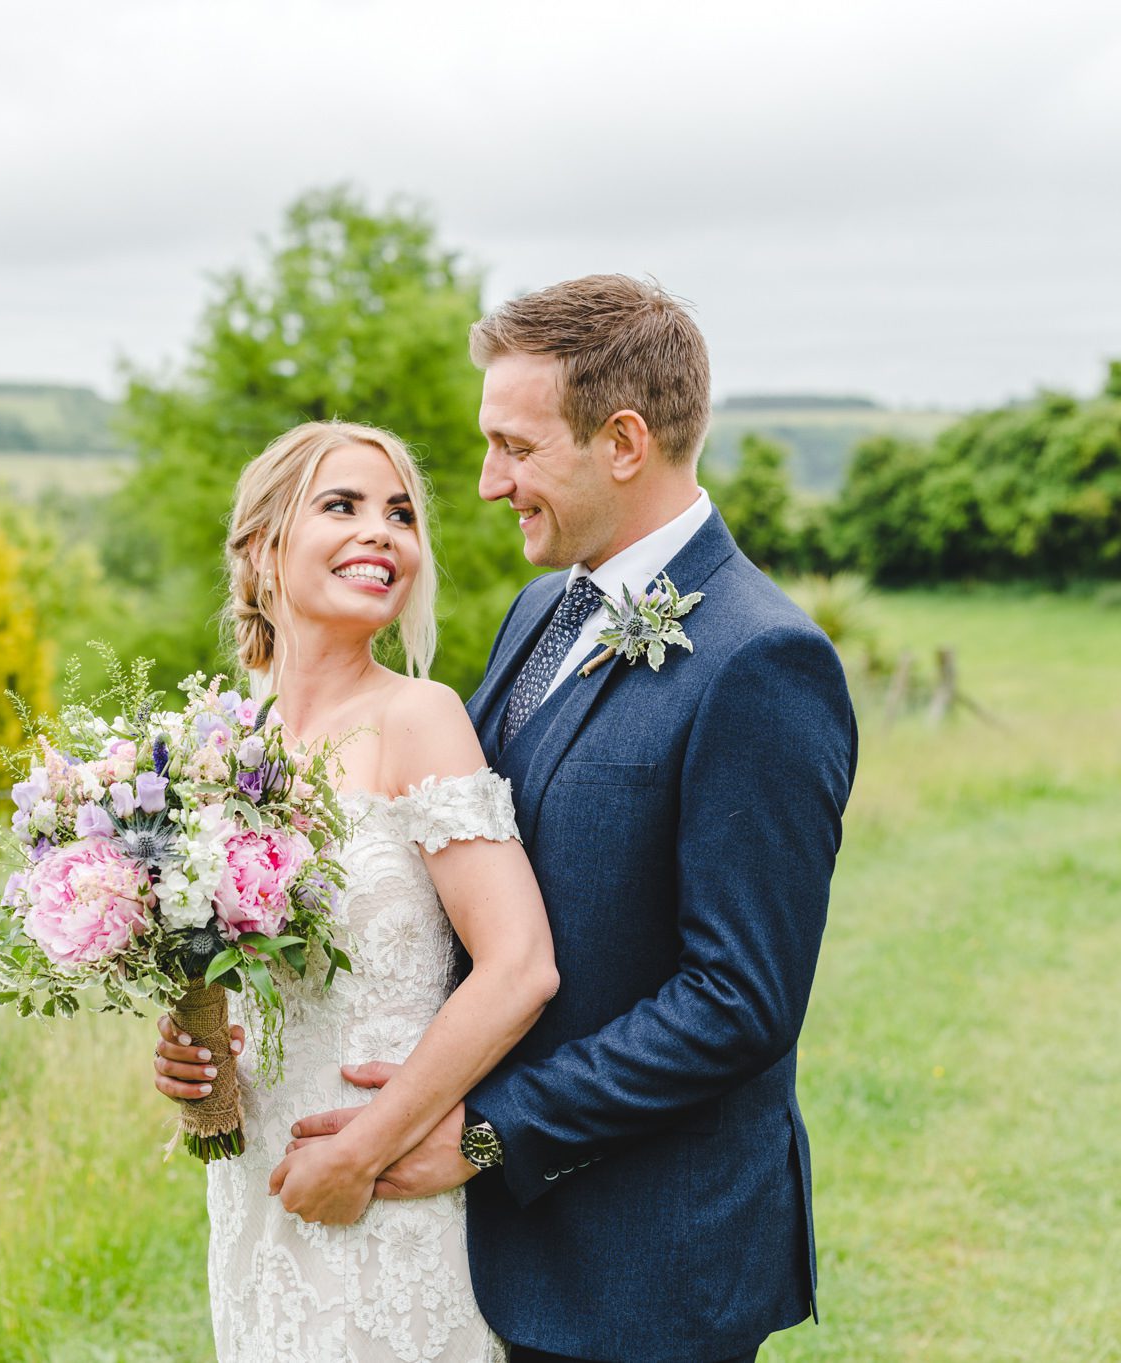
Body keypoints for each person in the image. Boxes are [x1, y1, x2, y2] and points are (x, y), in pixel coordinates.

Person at [162, 276, 857, 1363]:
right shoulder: (546, 609)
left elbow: (738, 1001)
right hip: (478, 1241)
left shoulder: (760, 661)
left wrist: (486, 1133)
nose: (487, 485)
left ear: (621, 441)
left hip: (640, 1261)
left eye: (514, 447)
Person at [158, 418, 561, 1361]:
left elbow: (521, 967)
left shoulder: (418, 717)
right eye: (341, 506)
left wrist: (364, 1147)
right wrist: (192, 1049)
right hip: (259, 1182)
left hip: (381, 1182)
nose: (382, 532)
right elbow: (233, 964)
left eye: (401, 514)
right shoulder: (226, 742)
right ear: (260, 551)